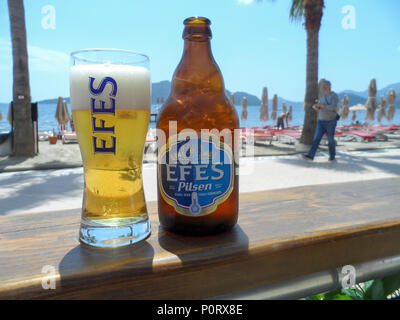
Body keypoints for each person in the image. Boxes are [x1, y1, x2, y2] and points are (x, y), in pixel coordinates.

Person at [303, 80, 339, 162]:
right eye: (323, 86)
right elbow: (321, 106)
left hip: (330, 121)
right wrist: (317, 107)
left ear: (329, 86)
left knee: (330, 140)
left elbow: (333, 107)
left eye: (325, 86)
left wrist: (323, 106)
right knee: (316, 139)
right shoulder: (322, 96)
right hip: (321, 121)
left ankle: (332, 156)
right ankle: (310, 156)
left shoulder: (334, 96)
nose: (323, 87)